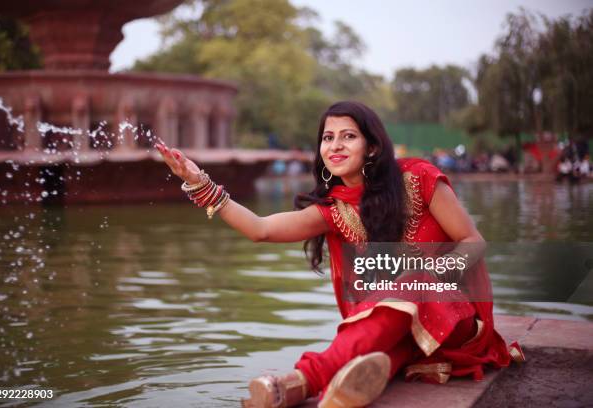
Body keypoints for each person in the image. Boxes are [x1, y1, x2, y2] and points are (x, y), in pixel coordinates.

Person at [155, 101, 524, 408]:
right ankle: (301, 388)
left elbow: (472, 240)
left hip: (455, 316)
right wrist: (198, 181)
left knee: (412, 282)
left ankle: (304, 377)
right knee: (377, 359)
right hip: (396, 327)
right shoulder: (335, 210)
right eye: (328, 138)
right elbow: (260, 229)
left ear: (372, 146)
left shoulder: (418, 178)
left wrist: (432, 275)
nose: (335, 145)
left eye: (348, 136)